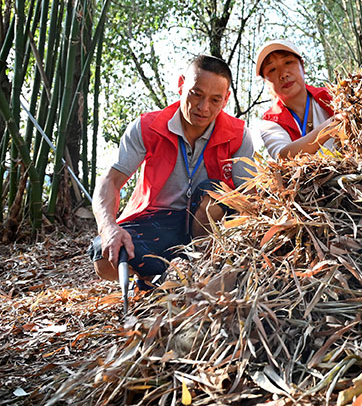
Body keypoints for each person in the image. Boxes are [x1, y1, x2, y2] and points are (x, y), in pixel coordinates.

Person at [90, 55, 254, 289]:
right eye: (196, 94)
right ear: (181, 85)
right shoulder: (147, 126)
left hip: (208, 224)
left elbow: (249, 194)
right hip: (156, 221)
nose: (203, 107)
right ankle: (164, 275)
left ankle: (202, 267)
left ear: (226, 99)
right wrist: (108, 228)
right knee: (107, 257)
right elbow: (110, 181)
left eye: (215, 99)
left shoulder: (238, 134)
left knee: (215, 193)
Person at [255, 39, 343, 159]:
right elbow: (283, 158)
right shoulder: (272, 123)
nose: (283, 74)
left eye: (288, 62)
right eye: (272, 70)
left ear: (302, 66)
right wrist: (332, 125)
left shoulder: (333, 97)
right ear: (265, 81)